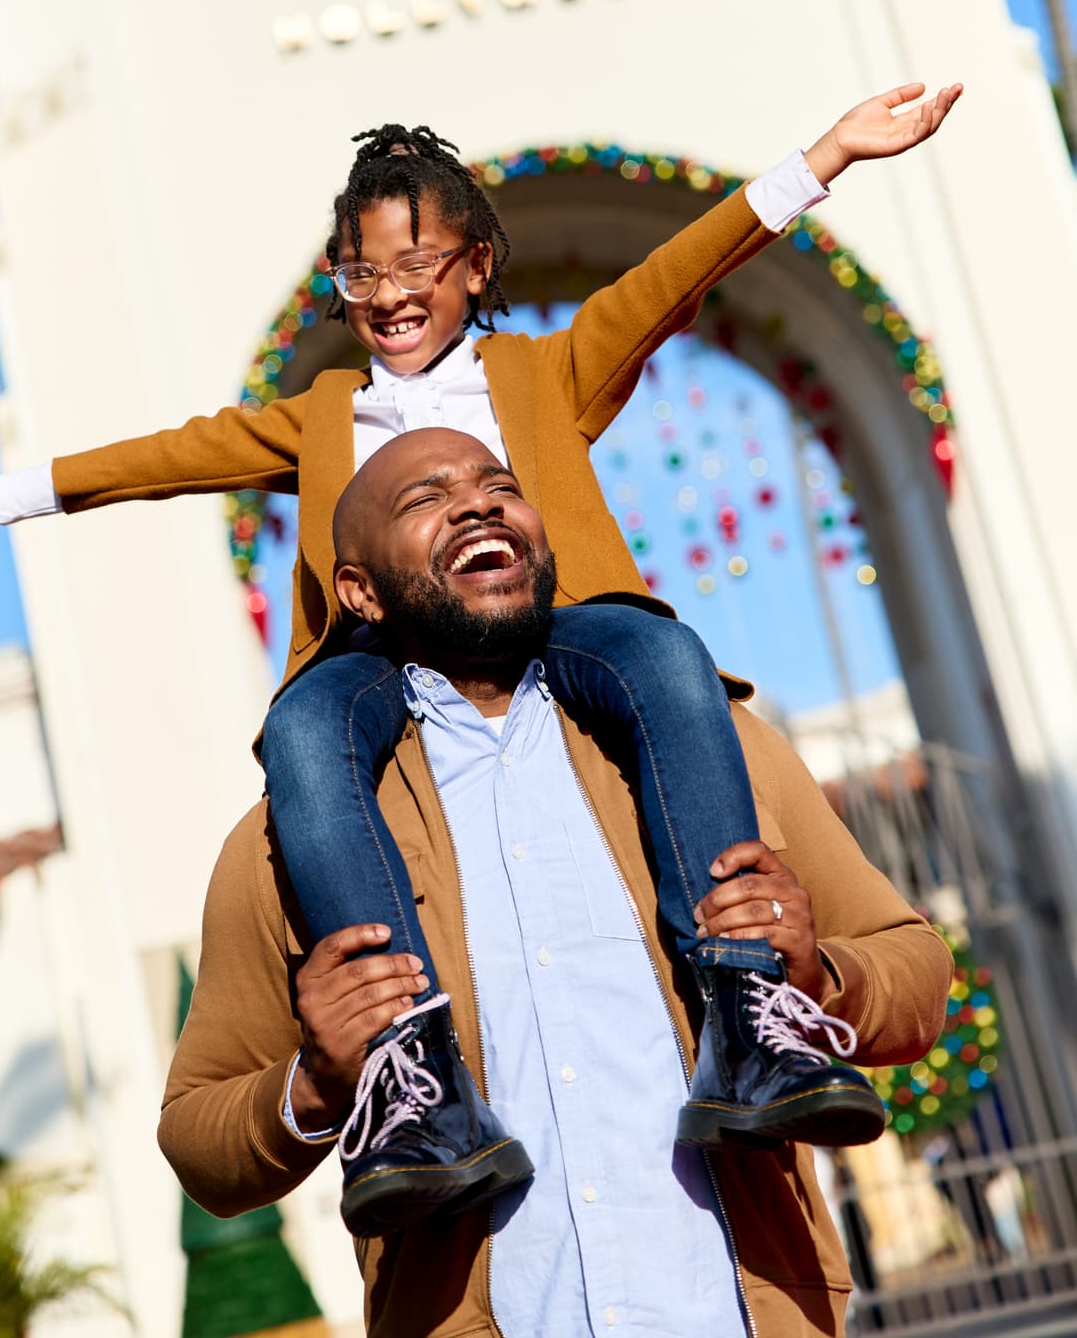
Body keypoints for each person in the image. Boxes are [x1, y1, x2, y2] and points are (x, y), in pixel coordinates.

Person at [0, 89, 960, 1234]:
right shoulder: (323, 414)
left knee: (664, 656)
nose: (387, 295)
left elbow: (676, 271)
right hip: (380, 648)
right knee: (300, 729)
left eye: (414, 263)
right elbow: (171, 456)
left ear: (474, 265)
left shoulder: (542, 373)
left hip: (555, 619)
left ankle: (745, 1005)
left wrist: (825, 155)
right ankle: (406, 1065)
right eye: (360, 274)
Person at [161, 429, 954, 1338]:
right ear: (360, 592)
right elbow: (197, 1138)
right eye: (425, 499)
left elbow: (916, 972)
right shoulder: (287, 840)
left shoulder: (718, 754)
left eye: (499, 484)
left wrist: (811, 978)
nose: (476, 503)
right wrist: (318, 1084)